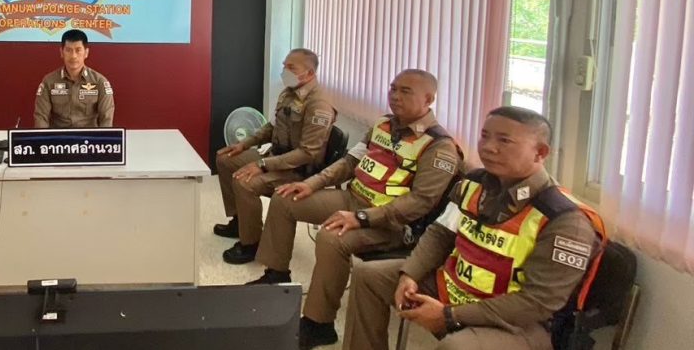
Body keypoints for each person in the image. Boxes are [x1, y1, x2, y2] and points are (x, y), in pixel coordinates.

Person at [342, 106, 603, 350]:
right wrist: (409, 274)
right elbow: (440, 234)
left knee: (457, 346)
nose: (488, 147)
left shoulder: (565, 220)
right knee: (369, 276)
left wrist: (449, 315)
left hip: (517, 322)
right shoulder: (473, 184)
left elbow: (537, 303)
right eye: (484, 136)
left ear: (540, 153)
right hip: (454, 288)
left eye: (504, 141)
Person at [249, 69, 462, 349]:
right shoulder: (383, 124)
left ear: (429, 99)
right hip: (354, 198)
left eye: (405, 91)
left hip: (391, 223)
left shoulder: (439, 147)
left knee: (331, 236)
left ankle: (319, 323)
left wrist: (362, 218)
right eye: (393, 88)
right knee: (286, 198)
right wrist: (312, 183)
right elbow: (350, 162)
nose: (395, 96)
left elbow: (420, 202)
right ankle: (276, 274)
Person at [214, 48, 335, 265]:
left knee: (244, 181)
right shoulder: (289, 93)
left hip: (297, 170)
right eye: (284, 66)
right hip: (277, 158)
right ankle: (240, 222)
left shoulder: (319, 105)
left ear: (309, 73)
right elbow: (272, 127)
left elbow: (308, 153)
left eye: (291, 68)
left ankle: (250, 243)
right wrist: (244, 144)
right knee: (226, 159)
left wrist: (262, 164)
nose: (284, 71)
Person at [33, 29, 114, 128]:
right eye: (68, 50)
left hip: (89, 137)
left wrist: (103, 137)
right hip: (59, 137)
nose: (73, 56)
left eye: (78, 50)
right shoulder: (49, 82)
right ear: (61, 52)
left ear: (86, 53)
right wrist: (44, 137)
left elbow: (106, 119)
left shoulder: (100, 82)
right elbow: (41, 117)